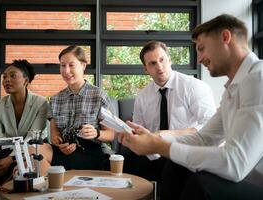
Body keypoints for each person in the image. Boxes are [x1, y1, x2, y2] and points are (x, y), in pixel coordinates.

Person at [119, 14, 263, 200]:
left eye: (202, 48)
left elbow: (235, 164)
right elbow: (205, 138)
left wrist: (161, 145)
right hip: (242, 177)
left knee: (201, 185)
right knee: (176, 165)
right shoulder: (232, 88)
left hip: (253, 181)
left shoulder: (258, 78)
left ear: (225, 38)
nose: (200, 58)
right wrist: (156, 143)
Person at [124, 40, 216, 181]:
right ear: (146, 69)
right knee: (129, 162)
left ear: (170, 60)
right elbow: (139, 131)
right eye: (152, 63)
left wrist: (165, 135)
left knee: (171, 170)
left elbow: (210, 126)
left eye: (162, 60)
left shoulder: (194, 87)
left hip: (184, 151)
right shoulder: (143, 96)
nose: (159, 67)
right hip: (153, 152)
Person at [0, 59, 48, 200]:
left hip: (30, 150)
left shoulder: (41, 103)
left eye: (13, 76)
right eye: (5, 77)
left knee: (15, 165)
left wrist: (11, 158)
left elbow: (33, 137)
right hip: (7, 148)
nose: (7, 80)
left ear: (26, 81)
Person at [38, 45, 114, 175]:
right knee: (32, 151)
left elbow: (111, 134)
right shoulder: (56, 99)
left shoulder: (99, 95)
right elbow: (54, 133)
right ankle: (50, 187)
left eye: (71, 65)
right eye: (62, 65)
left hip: (89, 152)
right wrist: (58, 143)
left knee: (36, 162)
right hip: (63, 150)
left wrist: (96, 133)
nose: (66, 71)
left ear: (83, 66)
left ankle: (53, 183)